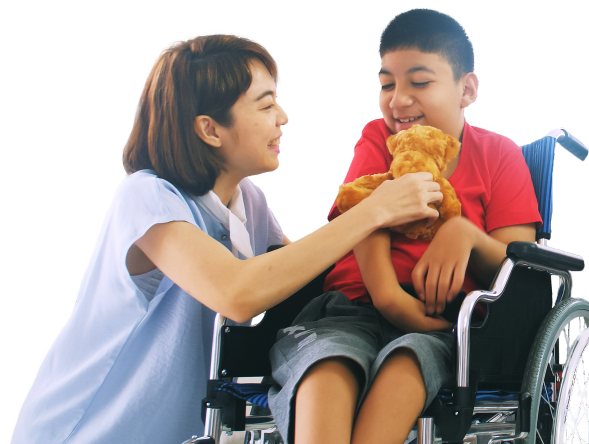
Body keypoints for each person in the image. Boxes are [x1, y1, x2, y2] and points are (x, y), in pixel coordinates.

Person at [8, 32, 442, 444]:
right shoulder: (147, 197)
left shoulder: (246, 200)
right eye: (265, 105)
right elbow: (238, 292)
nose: (282, 118)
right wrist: (373, 210)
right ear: (210, 130)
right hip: (83, 430)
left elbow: (295, 280)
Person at [267, 8, 543, 444]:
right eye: (386, 83)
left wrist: (466, 236)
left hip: (442, 323)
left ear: (466, 88)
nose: (397, 100)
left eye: (419, 82)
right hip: (350, 307)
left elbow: (519, 272)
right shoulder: (378, 138)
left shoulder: (500, 155)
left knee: (408, 364)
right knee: (326, 366)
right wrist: (390, 298)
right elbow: (363, 216)